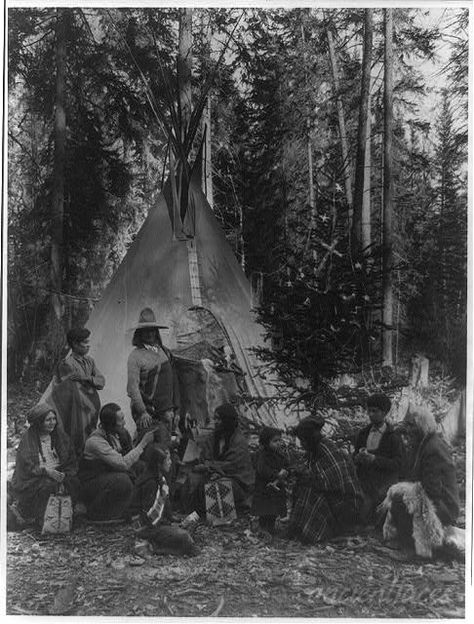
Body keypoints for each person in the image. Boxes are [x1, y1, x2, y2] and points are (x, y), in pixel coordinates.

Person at [380, 406, 460, 559]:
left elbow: (433, 489)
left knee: (400, 502)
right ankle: (404, 542)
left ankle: (411, 550)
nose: (408, 430)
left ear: (421, 427)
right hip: (435, 499)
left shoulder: (432, 448)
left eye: (412, 426)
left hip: (444, 505)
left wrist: (407, 493)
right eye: (408, 426)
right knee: (395, 496)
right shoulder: (423, 444)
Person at [287, 414, 363, 544]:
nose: (302, 444)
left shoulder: (328, 450)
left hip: (347, 504)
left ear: (310, 439)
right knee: (302, 485)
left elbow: (333, 483)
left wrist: (306, 475)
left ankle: (311, 534)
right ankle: (297, 527)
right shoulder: (314, 450)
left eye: (303, 440)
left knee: (312, 492)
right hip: (335, 498)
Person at [79, 403, 155, 523]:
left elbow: (130, 456)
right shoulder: (95, 441)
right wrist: (143, 443)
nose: (124, 423)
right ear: (111, 423)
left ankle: (133, 508)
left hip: (108, 476)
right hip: (92, 483)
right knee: (122, 480)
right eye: (121, 420)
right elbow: (123, 464)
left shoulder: (117, 434)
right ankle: (100, 514)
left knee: (141, 467)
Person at [11, 403, 81, 525]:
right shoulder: (28, 440)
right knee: (48, 486)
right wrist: (46, 471)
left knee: (73, 482)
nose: (52, 423)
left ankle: (66, 516)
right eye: (48, 420)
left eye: (54, 419)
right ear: (39, 422)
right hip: (35, 478)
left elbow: (71, 459)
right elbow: (27, 467)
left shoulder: (60, 436)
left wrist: (64, 474)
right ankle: (42, 518)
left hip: (58, 472)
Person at [183, 403, 255, 515]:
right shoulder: (214, 437)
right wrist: (210, 469)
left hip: (238, 482)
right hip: (214, 473)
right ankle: (194, 513)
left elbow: (232, 465)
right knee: (193, 478)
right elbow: (205, 457)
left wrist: (213, 469)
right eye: (214, 418)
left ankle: (220, 517)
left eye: (218, 419)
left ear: (227, 420)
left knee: (219, 485)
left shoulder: (239, 441)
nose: (215, 422)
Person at [50, 327, 105, 457]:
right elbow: (68, 390)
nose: (88, 345)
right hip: (77, 409)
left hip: (91, 408)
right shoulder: (66, 364)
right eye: (85, 342)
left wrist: (85, 378)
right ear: (75, 344)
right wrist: (91, 382)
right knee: (76, 438)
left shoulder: (90, 361)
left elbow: (101, 382)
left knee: (90, 436)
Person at [127, 308, 180, 433]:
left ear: (156, 332)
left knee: (170, 446)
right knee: (150, 447)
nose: (149, 334)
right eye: (145, 331)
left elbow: (174, 382)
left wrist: (177, 409)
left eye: (152, 330)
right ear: (139, 333)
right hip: (148, 412)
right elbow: (132, 388)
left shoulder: (165, 352)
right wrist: (142, 412)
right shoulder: (135, 356)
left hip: (168, 412)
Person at [353, 393, 402, 522]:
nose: (370, 414)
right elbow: (354, 458)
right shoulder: (363, 433)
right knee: (358, 513)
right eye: (369, 411)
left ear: (384, 413)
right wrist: (357, 458)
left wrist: (375, 460)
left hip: (384, 483)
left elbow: (398, 464)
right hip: (365, 482)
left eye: (375, 411)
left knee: (376, 513)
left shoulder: (393, 436)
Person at [251, 427, 289, 536]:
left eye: (279, 440)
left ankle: (271, 528)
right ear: (266, 442)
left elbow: (285, 464)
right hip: (265, 488)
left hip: (276, 487)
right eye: (275, 441)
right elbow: (262, 469)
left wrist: (286, 471)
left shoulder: (279, 454)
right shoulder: (262, 455)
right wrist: (276, 474)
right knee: (265, 510)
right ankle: (263, 528)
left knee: (274, 510)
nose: (278, 443)